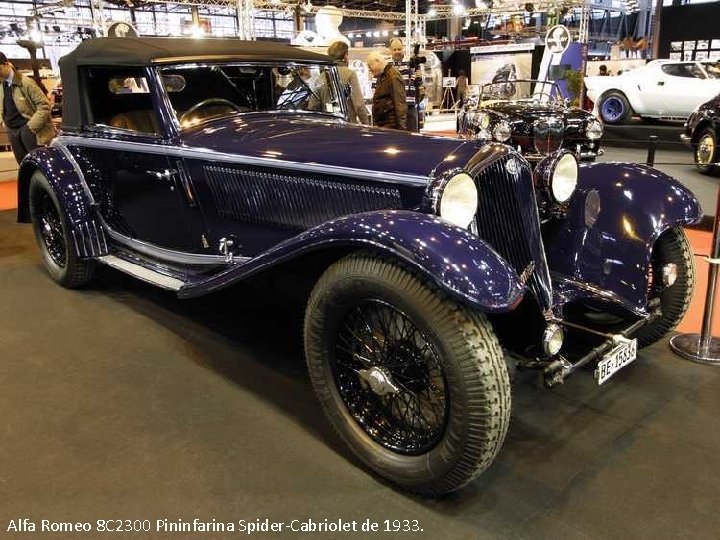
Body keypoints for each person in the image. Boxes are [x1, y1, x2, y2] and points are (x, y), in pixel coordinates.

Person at [0, 52, 55, 164]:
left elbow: (44, 106)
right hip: (12, 131)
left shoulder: (26, 83)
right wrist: (4, 122)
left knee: (38, 165)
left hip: (28, 131)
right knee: (23, 165)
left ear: (7, 64)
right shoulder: (2, 84)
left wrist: (30, 127)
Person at [327, 40, 370, 125]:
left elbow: (313, 106)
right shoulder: (350, 74)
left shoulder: (322, 76)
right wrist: (366, 124)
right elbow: (358, 105)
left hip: (328, 126)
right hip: (347, 125)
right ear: (345, 56)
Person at [388, 37, 424, 132]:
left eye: (399, 49)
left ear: (403, 48)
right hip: (392, 108)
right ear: (390, 50)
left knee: (413, 137)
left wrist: (419, 78)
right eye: (394, 49)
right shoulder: (387, 66)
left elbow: (420, 85)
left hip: (410, 107)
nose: (397, 51)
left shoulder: (411, 64)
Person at [366, 51, 407, 131]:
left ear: (377, 61)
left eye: (370, 65)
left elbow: (400, 104)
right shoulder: (383, 76)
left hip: (391, 127)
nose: (369, 69)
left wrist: (402, 131)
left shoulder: (392, 76)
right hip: (386, 126)